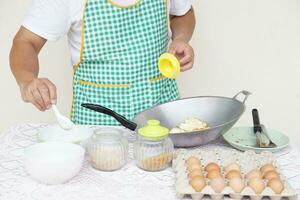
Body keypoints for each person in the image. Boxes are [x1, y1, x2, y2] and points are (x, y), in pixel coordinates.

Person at [10, 0, 195, 125]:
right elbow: (26, 42)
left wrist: (181, 38)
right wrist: (27, 80)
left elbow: (182, 13)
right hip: (97, 126)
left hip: (161, 114)